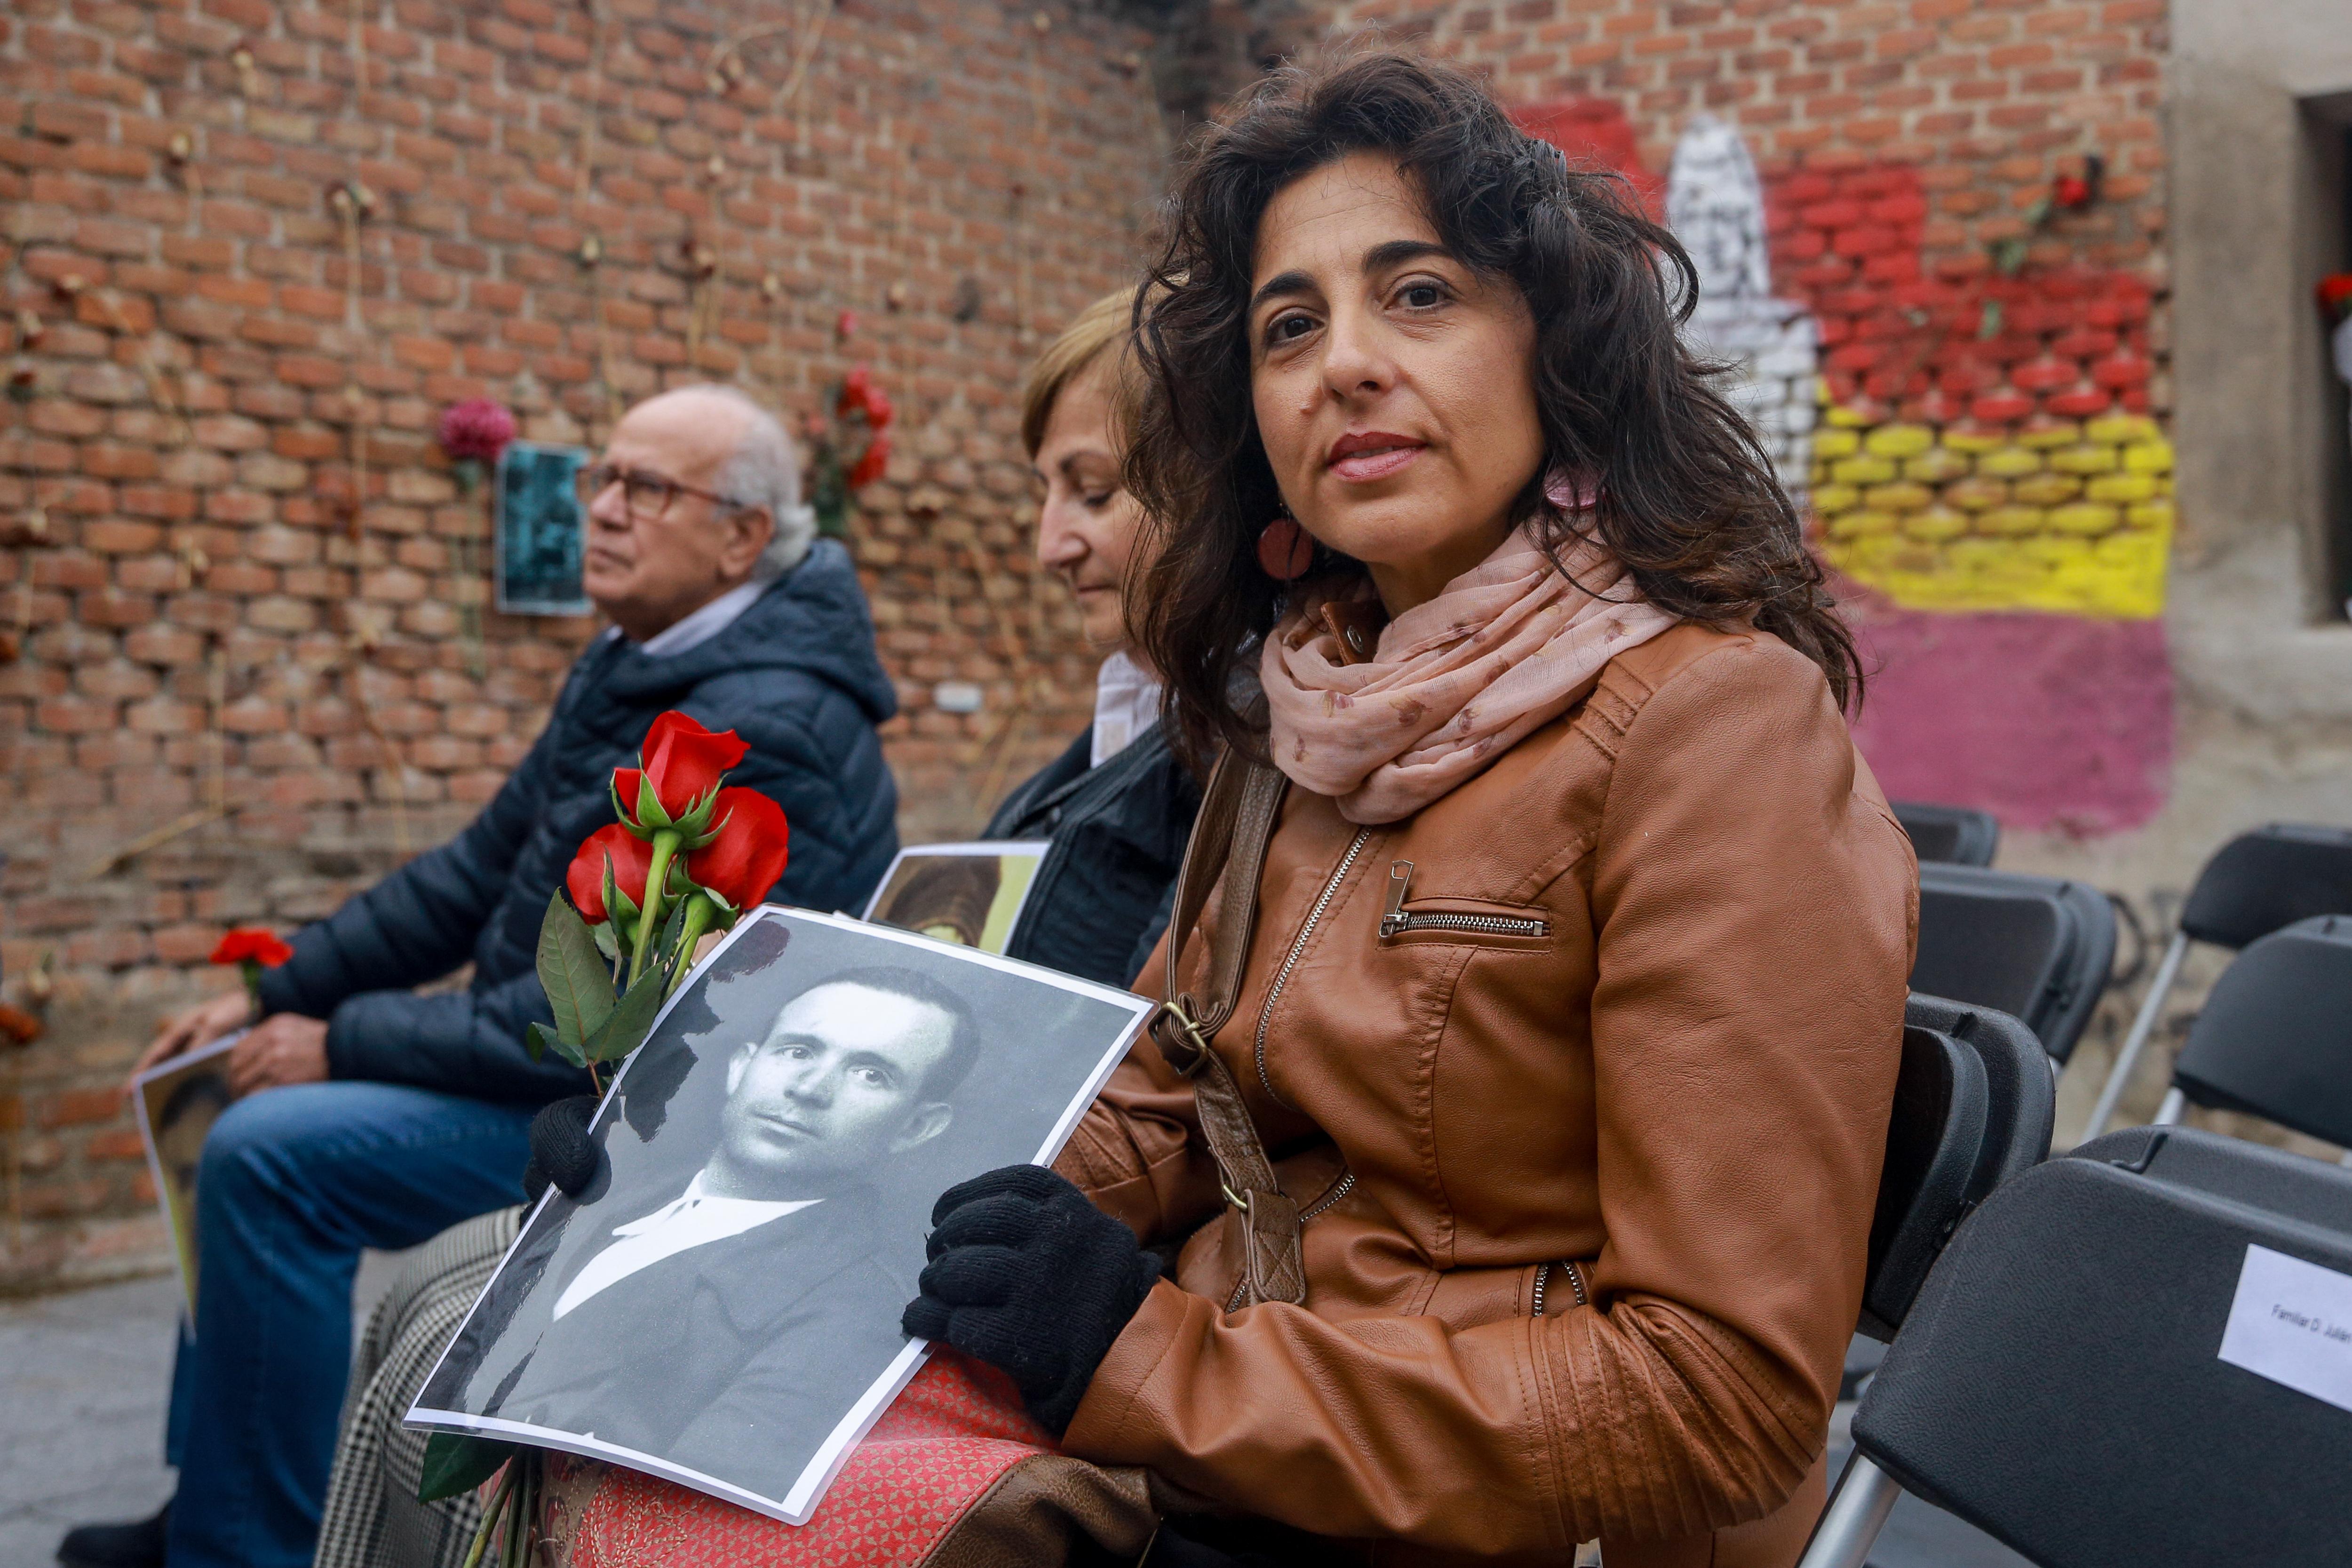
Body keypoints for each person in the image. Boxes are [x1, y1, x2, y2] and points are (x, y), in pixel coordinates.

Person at [906, 48, 1918, 1568]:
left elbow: (1723, 1400)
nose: (1346, 364)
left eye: (1420, 294)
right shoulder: (1302, 704)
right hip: (1221, 1448)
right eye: (1289, 326)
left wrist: (1143, 1357)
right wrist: (825, 1190)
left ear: (1554, 350)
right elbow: (1166, 1093)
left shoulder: (1715, 728)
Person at [60, 384, 902, 1568]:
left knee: (271, 1156)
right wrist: (280, 992)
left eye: (645, 488)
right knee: (231, 1094)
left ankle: (246, 1544)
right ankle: (225, 1491)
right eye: (600, 478)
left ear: (742, 537)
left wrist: (342, 1040)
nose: (603, 510)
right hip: (539, 1074)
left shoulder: (772, 723)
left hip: (634, 1119)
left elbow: (612, 1015)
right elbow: (469, 876)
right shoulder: (635, 662)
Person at [428, 968, 975, 1502]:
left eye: (870, 1074)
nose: (809, 1089)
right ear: (742, 1066)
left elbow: (685, 1505)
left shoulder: (854, 1310)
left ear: (916, 1127)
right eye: (799, 1051)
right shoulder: (618, 1191)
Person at [984, 287, 1203, 989]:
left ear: (1208, 490)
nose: (1050, 548)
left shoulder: (1256, 756)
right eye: (1046, 491)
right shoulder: (1139, 702)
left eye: (1095, 492)